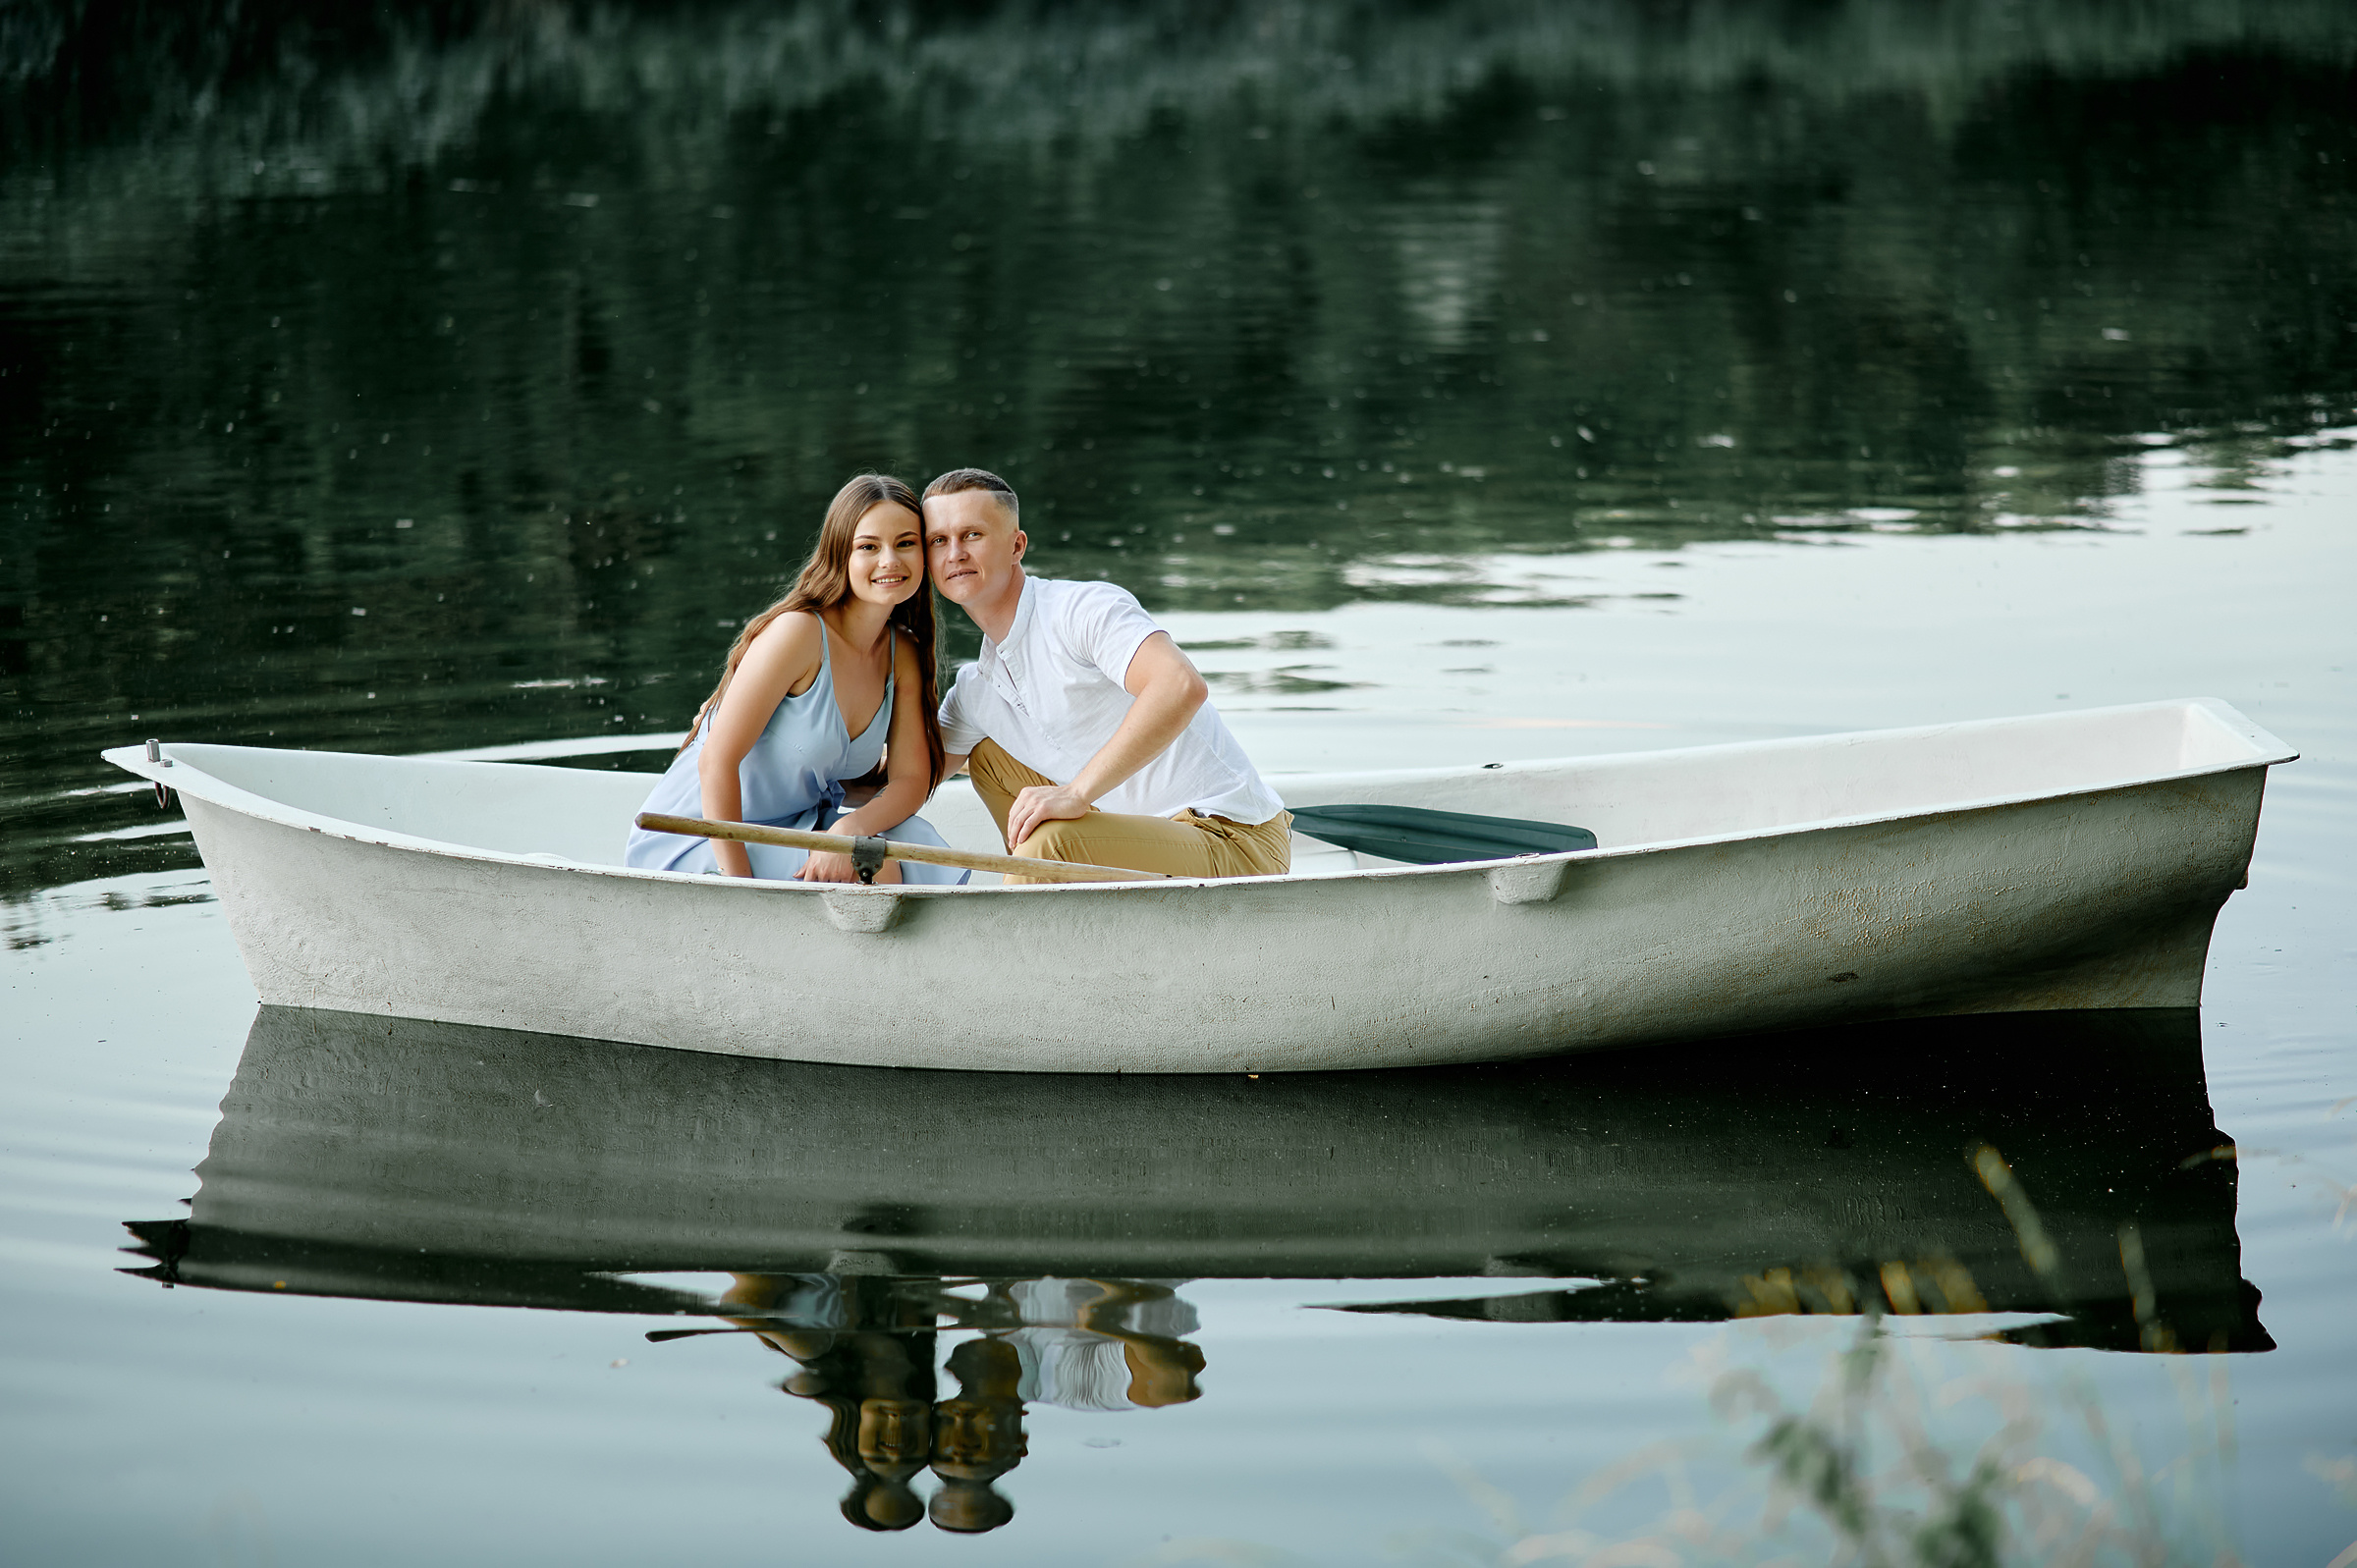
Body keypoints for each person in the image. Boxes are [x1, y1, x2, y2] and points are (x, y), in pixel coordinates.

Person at [919, 467, 1290, 882]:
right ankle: (1062, 899)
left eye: (972, 535)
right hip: (1142, 835)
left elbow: (1180, 685)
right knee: (989, 760)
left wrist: (1077, 793)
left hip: (1232, 838)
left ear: (1016, 545)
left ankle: (1029, 911)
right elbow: (903, 776)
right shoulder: (976, 689)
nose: (955, 553)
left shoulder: (1082, 609)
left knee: (1050, 848)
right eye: (938, 541)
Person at [625, 473, 965, 885]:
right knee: (875, 867)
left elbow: (910, 780)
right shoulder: (799, 634)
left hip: (796, 826)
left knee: (920, 847)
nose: (890, 560)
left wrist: (848, 831)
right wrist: (739, 887)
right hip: (703, 836)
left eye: (906, 543)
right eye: (869, 547)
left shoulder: (902, 652)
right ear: (841, 555)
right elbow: (717, 760)